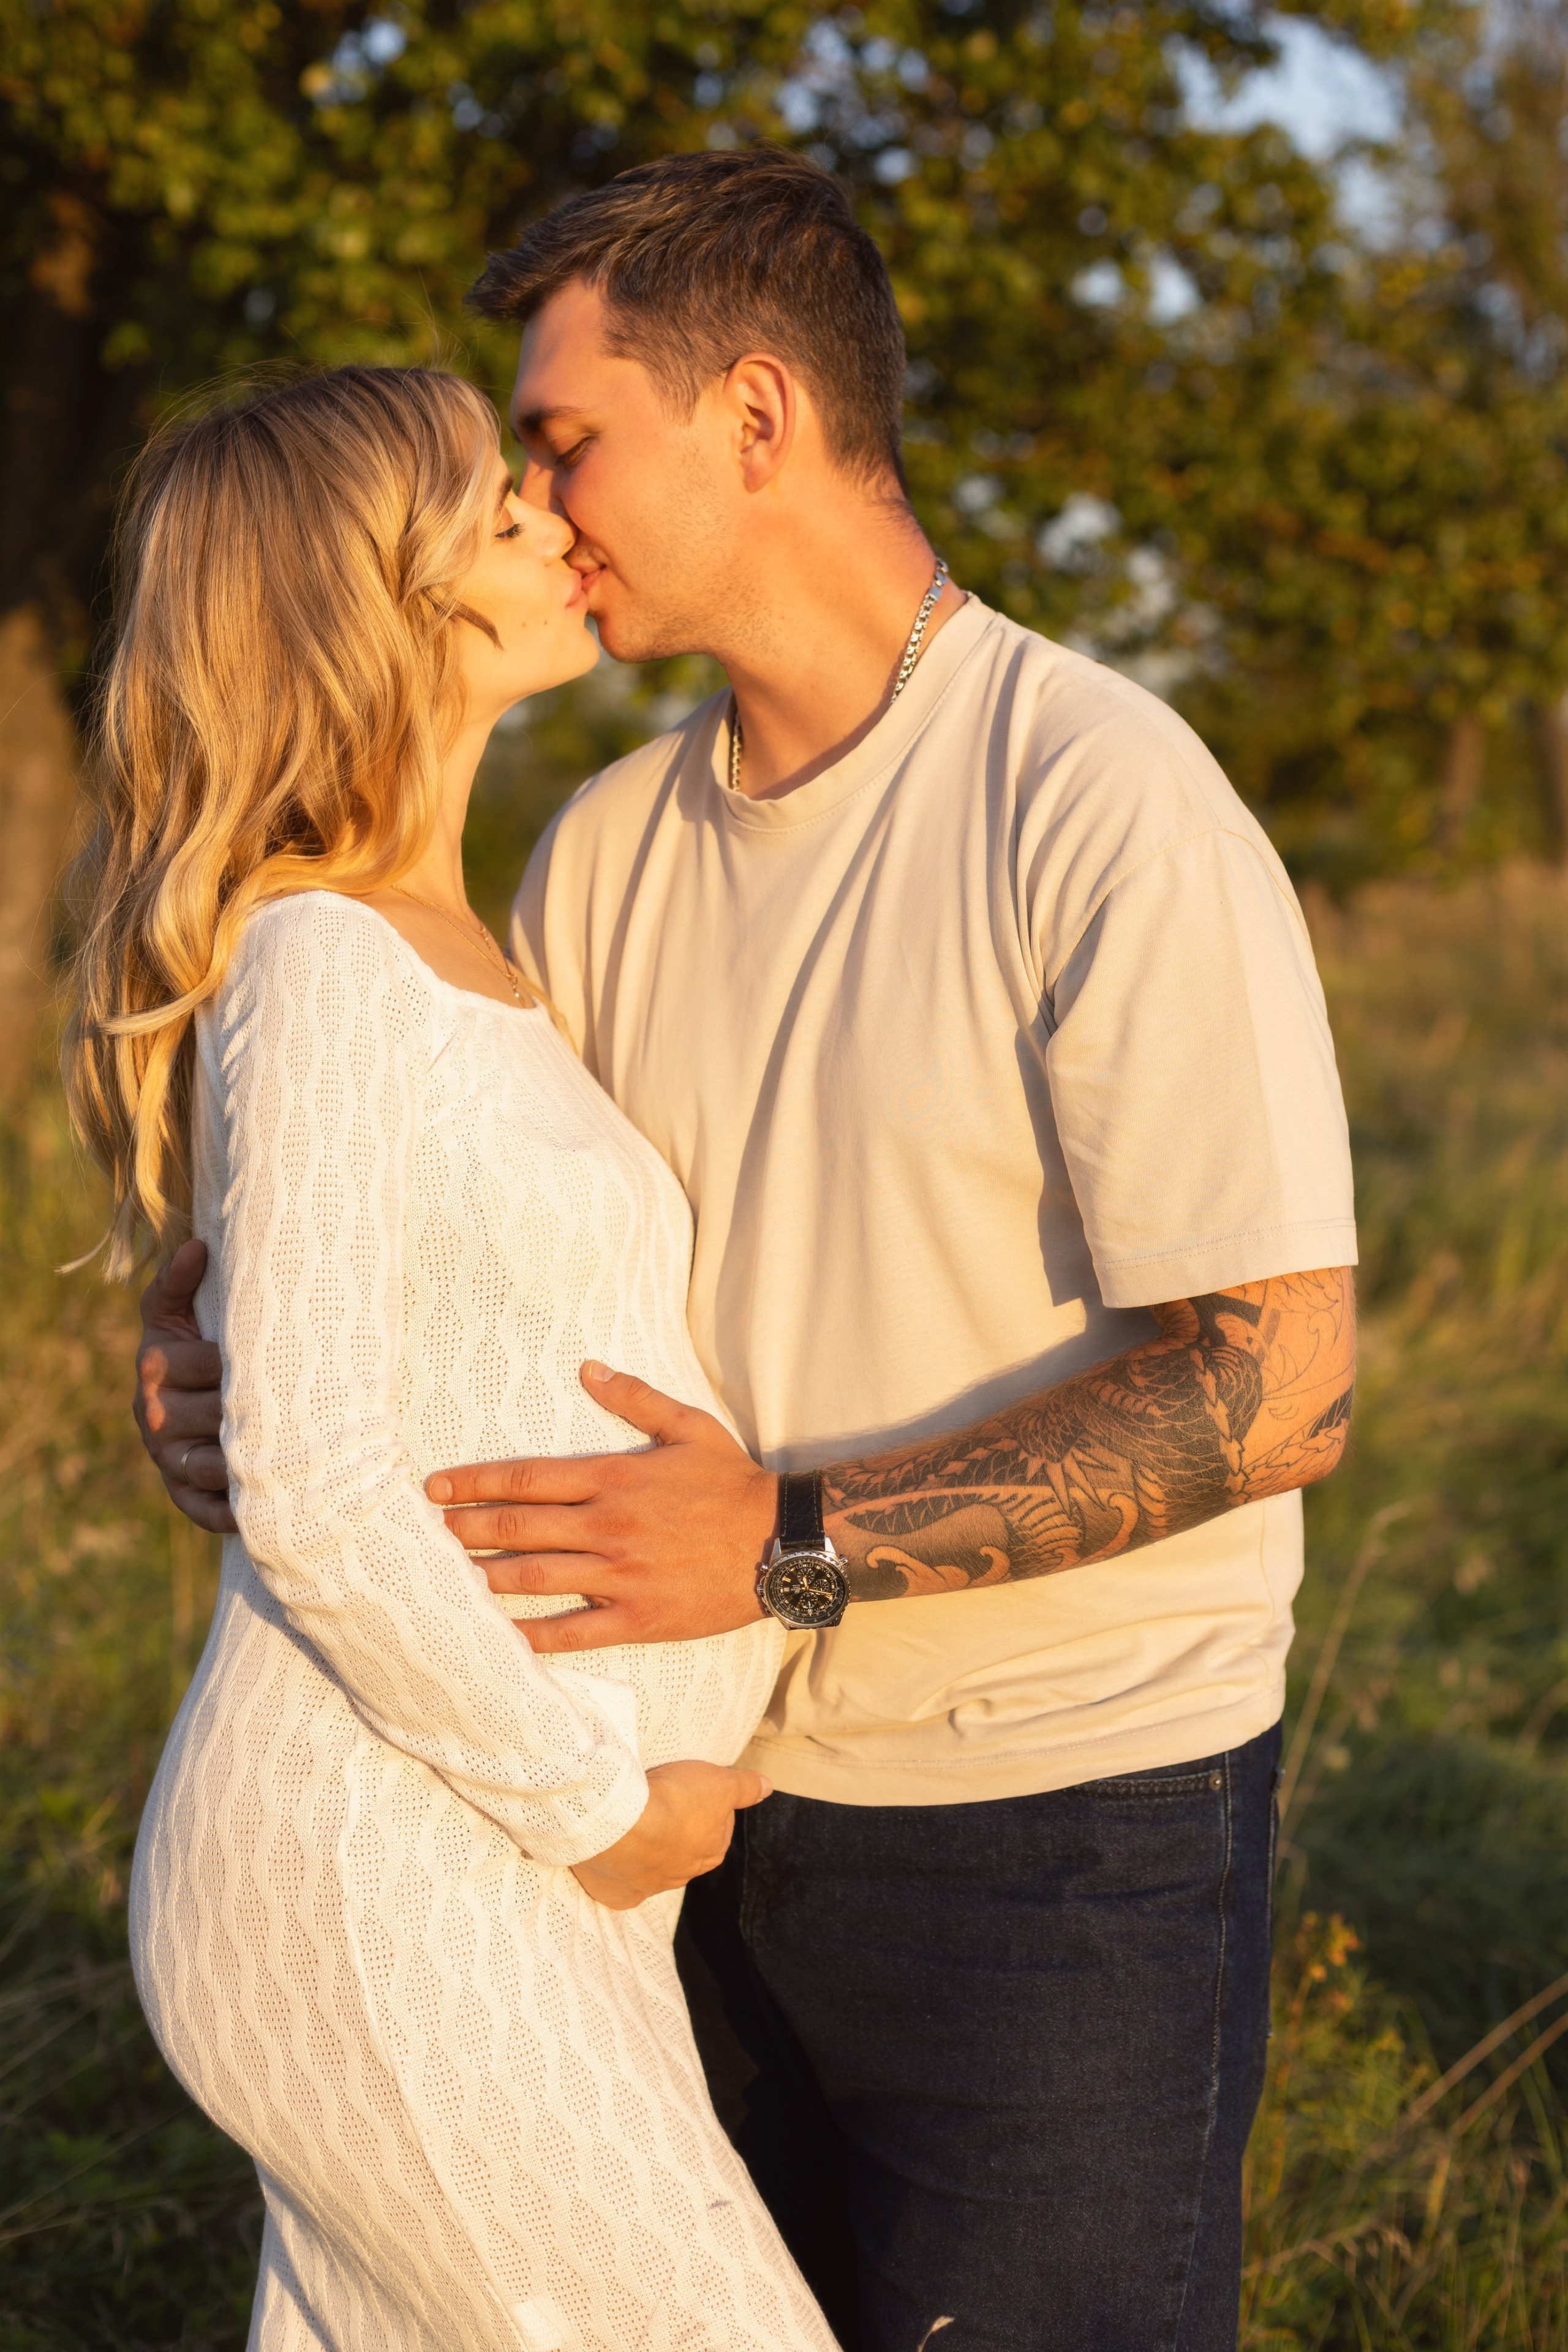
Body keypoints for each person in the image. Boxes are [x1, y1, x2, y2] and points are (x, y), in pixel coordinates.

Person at [138, 154, 1359, 2351]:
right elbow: (434, 1209)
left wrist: (778, 1549)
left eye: (567, 435)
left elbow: (1282, 1387)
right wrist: (213, 1335)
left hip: (1054, 1836)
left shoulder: (1094, 792)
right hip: (704, 1846)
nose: (538, 493)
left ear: (759, 420)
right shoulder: (602, 852)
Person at [67, 364, 841, 2352]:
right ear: (371, 603)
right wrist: (598, 1805)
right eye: (498, 508)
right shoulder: (326, 962)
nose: (553, 525)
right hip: (400, 1859)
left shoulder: (455, 942)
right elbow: (315, 1481)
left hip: (480, 1858)